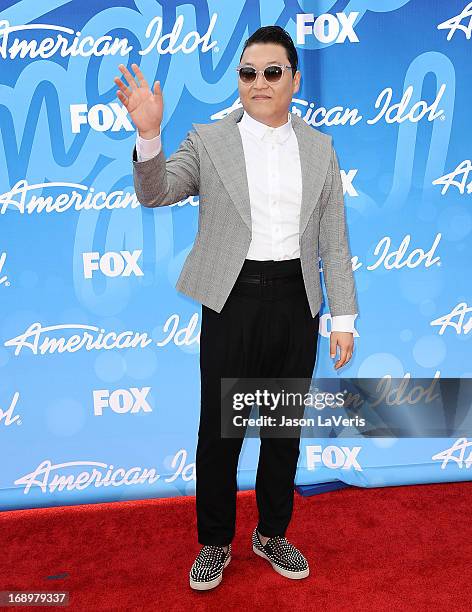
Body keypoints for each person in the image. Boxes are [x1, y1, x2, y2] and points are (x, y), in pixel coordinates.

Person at [115, 25, 358, 591]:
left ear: (295, 80)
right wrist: (149, 134)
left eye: (272, 72)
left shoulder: (320, 147)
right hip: (231, 297)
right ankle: (215, 541)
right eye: (248, 73)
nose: (259, 83)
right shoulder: (208, 139)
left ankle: (271, 532)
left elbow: (334, 240)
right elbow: (156, 193)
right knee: (220, 431)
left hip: (297, 301)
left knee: (281, 429)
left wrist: (342, 317)